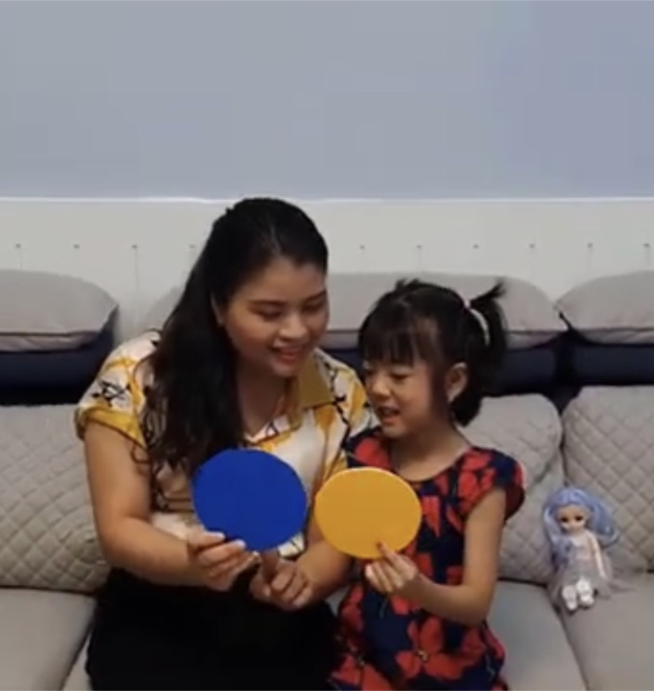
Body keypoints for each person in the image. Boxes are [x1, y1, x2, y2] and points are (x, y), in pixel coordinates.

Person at [75, 197, 372, 691]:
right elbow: (119, 526)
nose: (297, 331)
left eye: (313, 306)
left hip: (278, 608)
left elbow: (332, 540)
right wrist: (192, 567)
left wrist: (304, 581)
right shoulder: (137, 375)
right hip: (160, 596)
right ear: (218, 305)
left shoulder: (341, 391)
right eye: (269, 312)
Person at [330, 279, 527, 691]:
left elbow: (475, 603)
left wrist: (417, 589)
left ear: (453, 382)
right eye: (370, 371)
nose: (377, 388)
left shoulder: (482, 479)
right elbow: (335, 548)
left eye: (399, 375)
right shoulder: (364, 453)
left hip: (445, 659)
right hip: (364, 651)